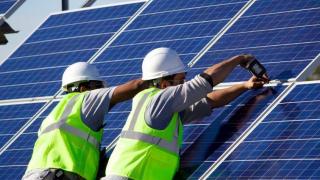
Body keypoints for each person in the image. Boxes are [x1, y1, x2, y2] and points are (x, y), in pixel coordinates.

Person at [103, 47, 269, 180]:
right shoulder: (158, 100)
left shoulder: (161, 108)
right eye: (180, 80)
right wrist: (240, 59)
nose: (183, 84)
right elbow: (204, 82)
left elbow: (209, 101)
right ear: (164, 82)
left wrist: (244, 86)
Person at [22, 62, 147, 180]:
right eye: (98, 87)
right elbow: (135, 86)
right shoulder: (86, 98)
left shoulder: (54, 116)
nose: (100, 91)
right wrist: (158, 81)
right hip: (58, 176)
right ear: (83, 87)